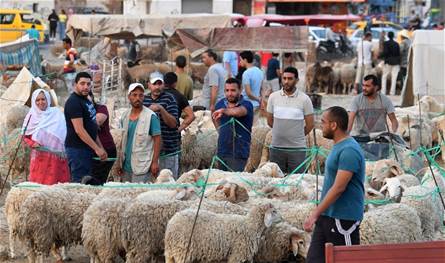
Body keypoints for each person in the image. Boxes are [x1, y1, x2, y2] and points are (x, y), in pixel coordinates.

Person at [304, 106, 365, 263]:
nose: (320, 126)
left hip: (342, 219)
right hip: (327, 216)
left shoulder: (349, 151)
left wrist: (315, 213)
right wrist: (321, 214)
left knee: (345, 260)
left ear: (334, 125)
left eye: (323, 122)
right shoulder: (339, 146)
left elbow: (339, 187)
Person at [266, 67, 314, 174]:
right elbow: (269, 121)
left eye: (290, 78)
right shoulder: (273, 97)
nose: (286, 81)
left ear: (296, 80)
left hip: (297, 150)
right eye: (284, 78)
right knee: (276, 182)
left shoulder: (305, 99)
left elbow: (310, 125)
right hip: (276, 148)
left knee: (297, 182)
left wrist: (297, 135)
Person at [64, 72, 107, 183]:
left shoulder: (86, 100)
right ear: (75, 84)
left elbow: (92, 126)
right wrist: (97, 149)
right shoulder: (73, 102)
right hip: (77, 150)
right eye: (82, 84)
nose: (86, 87)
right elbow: (79, 130)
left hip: (87, 148)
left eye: (88, 84)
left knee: (87, 182)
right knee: (80, 184)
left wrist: (100, 147)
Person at [22, 89, 70, 185]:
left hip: (57, 158)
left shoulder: (56, 113)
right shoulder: (31, 116)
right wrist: (33, 143)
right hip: (40, 159)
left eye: (43, 99)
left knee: (57, 188)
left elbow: (65, 133)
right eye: (37, 100)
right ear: (34, 102)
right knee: (39, 187)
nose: (41, 102)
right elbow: (24, 136)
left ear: (48, 100)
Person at [118, 83, 161, 183]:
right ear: (129, 97)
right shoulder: (124, 116)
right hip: (126, 165)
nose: (138, 98)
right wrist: (119, 163)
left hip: (142, 165)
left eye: (141, 95)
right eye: (134, 95)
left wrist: (155, 162)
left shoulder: (151, 116)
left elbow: (158, 139)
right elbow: (121, 141)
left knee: (139, 194)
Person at [143, 72, 180, 178]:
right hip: (148, 152)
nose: (157, 87)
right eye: (154, 84)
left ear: (163, 85)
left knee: (168, 184)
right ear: (149, 85)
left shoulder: (170, 99)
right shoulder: (144, 100)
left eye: (160, 84)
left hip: (168, 151)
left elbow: (173, 124)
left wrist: (161, 109)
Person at [212, 78, 254, 171]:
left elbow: (238, 112)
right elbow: (214, 115)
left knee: (234, 182)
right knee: (221, 182)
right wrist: (220, 131)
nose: (230, 93)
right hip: (222, 151)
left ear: (240, 90)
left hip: (239, 153)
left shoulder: (247, 104)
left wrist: (224, 111)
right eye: (227, 90)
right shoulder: (220, 104)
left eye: (233, 90)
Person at [84, 92, 116, 185]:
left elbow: (96, 122)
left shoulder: (101, 108)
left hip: (106, 149)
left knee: (97, 180)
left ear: (92, 98)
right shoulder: (80, 112)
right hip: (90, 151)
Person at [381, 31, 401, 95]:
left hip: (388, 62)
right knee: (394, 78)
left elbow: (385, 52)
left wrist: (380, 56)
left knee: (384, 77)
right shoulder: (397, 44)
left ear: (388, 36)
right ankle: (392, 92)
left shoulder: (385, 43)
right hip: (396, 63)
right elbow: (399, 54)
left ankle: (383, 92)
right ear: (393, 36)